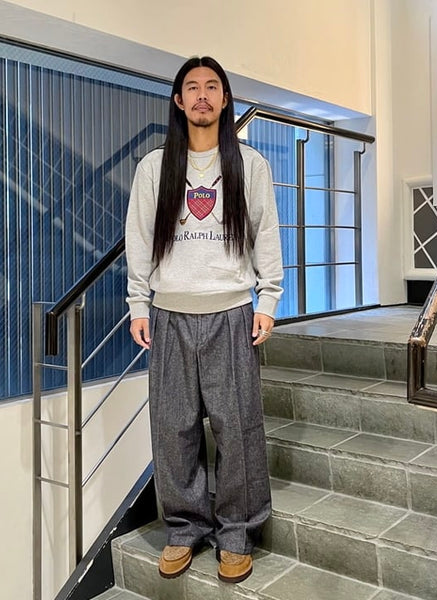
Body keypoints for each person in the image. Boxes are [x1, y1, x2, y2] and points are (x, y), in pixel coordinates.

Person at [125, 55, 283, 584]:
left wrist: (268, 300)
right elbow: (139, 240)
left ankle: (236, 532)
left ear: (224, 98)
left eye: (211, 86)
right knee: (174, 429)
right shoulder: (155, 167)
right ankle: (184, 526)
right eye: (191, 87)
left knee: (238, 429)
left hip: (232, 314)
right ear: (178, 100)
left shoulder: (249, 164)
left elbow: (266, 233)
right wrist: (139, 304)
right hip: (169, 315)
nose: (201, 95)